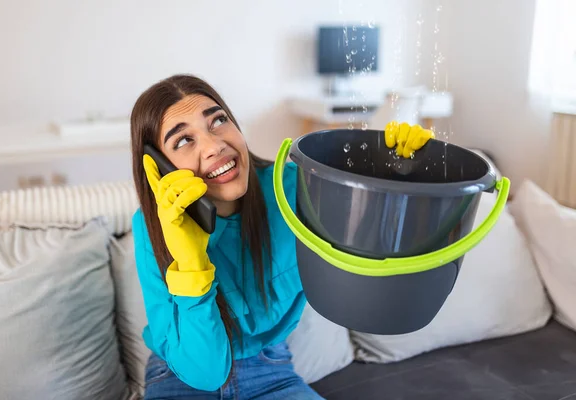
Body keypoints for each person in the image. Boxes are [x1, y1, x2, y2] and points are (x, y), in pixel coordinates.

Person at [129, 74, 434, 400]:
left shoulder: (297, 190)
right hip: (182, 372)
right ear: (160, 167)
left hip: (269, 369)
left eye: (218, 120)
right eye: (183, 140)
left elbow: (377, 260)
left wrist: (398, 175)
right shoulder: (152, 229)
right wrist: (191, 264)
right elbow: (207, 372)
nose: (214, 145)